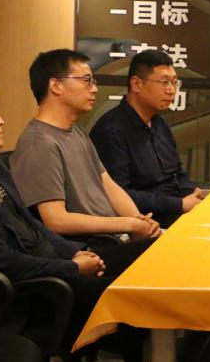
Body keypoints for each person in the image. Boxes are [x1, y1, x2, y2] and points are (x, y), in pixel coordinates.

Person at [0, 75, 144, 362]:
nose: (1, 120)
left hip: (52, 268)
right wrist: (73, 268)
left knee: (148, 256)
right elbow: (4, 264)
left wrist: (74, 253)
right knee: (137, 294)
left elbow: (33, 226)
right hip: (31, 296)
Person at [11, 49, 161, 246]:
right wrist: (128, 224)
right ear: (55, 85)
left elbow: (107, 184)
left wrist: (140, 221)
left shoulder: (77, 132)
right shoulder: (39, 143)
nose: (94, 89)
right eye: (86, 80)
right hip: (89, 247)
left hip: (115, 237)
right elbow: (56, 220)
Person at [90, 50, 203, 228]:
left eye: (174, 82)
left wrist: (192, 194)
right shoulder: (111, 130)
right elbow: (119, 193)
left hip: (177, 211)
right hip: (148, 220)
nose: (171, 90)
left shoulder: (159, 123)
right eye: (164, 82)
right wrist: (179, 204)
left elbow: (178, 174)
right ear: (136, 84)